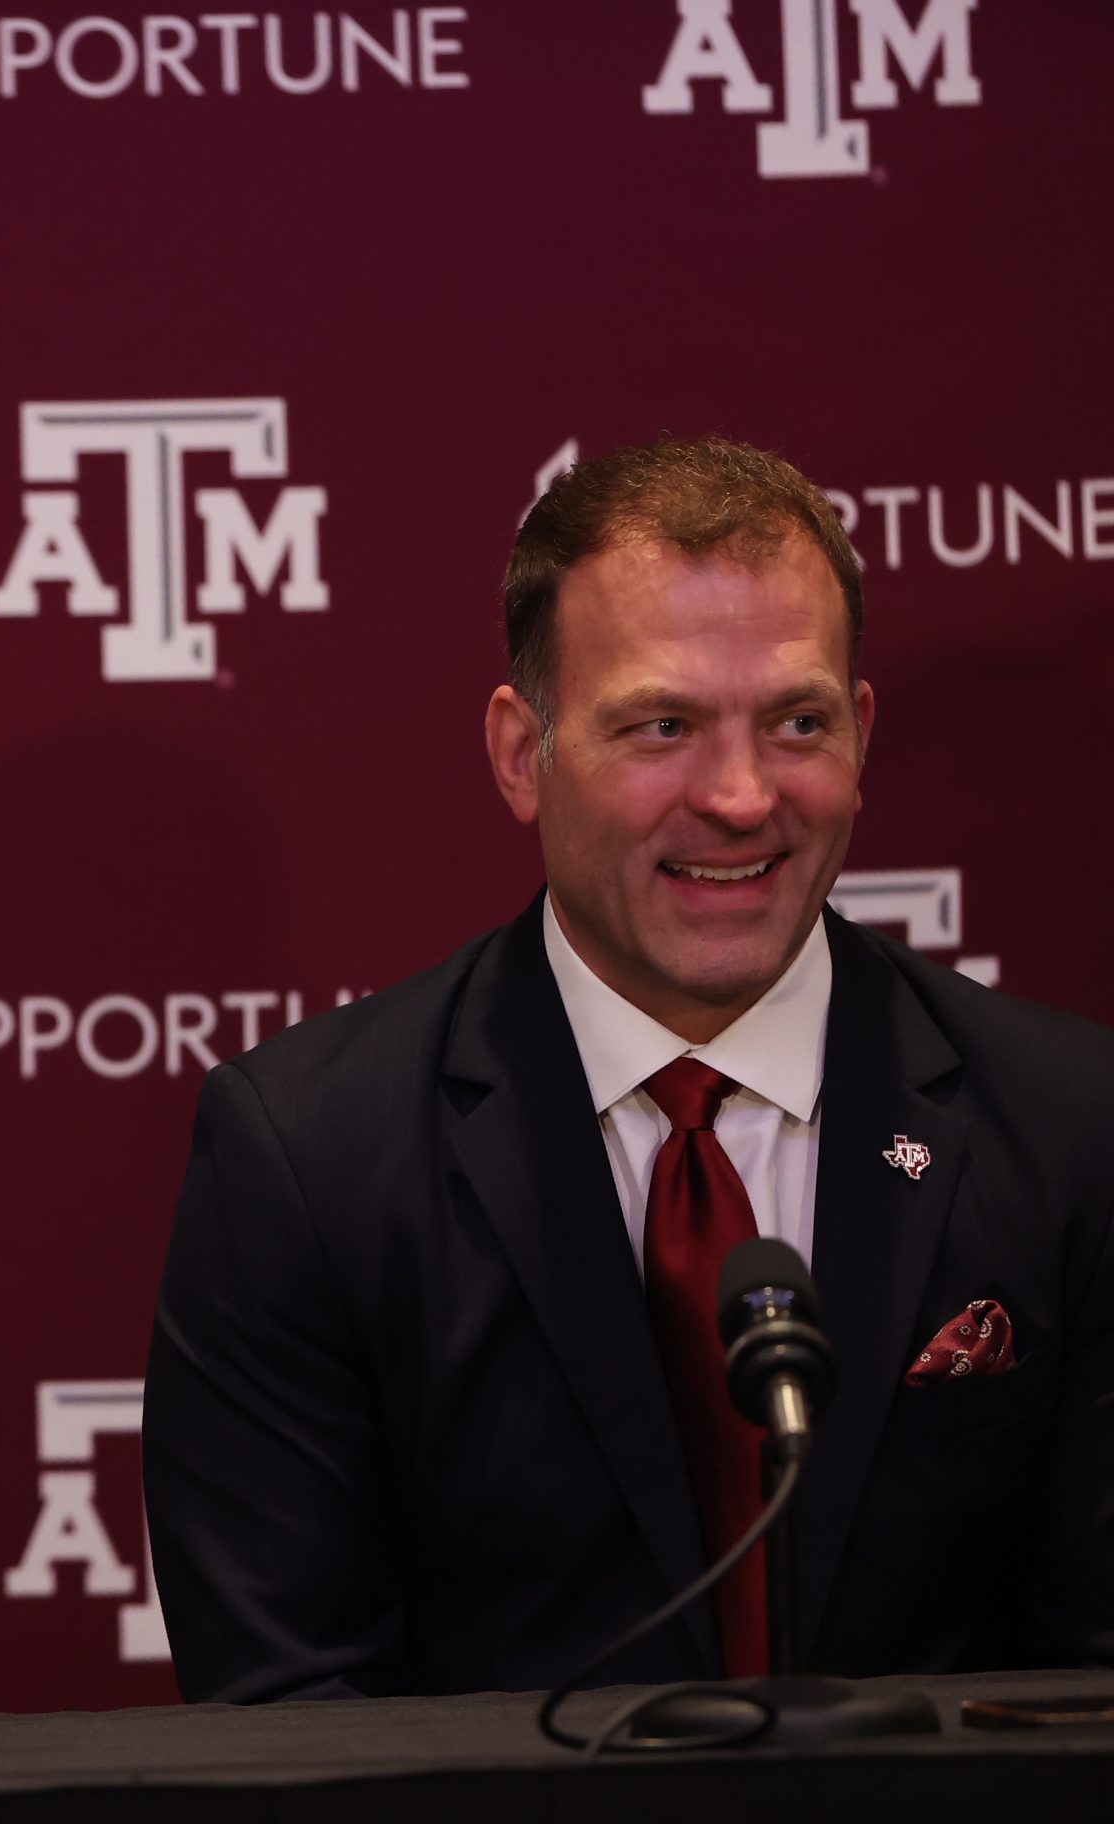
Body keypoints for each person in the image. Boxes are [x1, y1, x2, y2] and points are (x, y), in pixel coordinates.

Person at [143, 436, 1114, 1702]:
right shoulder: (310, 1159)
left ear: (863, 739)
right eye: (662, 725)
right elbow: (291, 1717)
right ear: (519, 753)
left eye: (798, 722)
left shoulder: (1074, 1126)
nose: (741, 794)